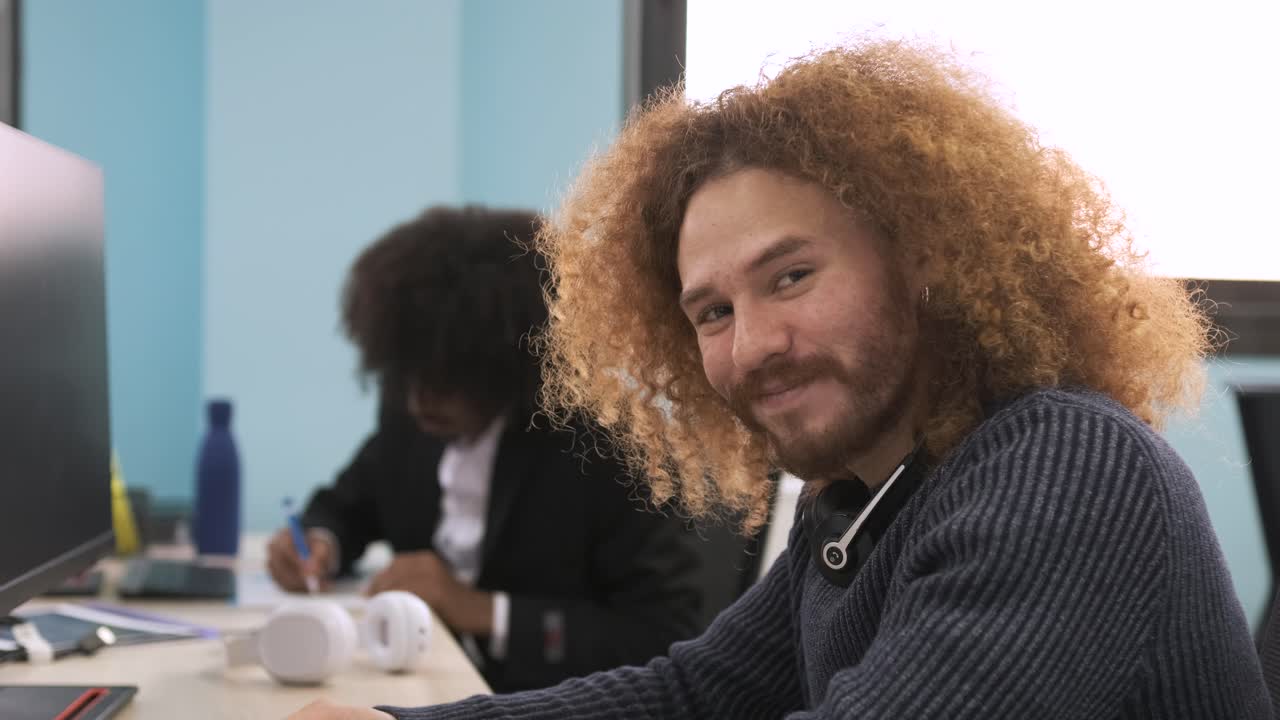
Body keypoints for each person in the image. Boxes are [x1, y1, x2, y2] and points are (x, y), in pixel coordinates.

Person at [289, 39, 1270, 720]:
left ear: (922, 257)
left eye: (790, 276)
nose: (749, 345)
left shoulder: (1065, 465)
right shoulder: (856, 498)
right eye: (710, 311)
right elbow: (698, 696)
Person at [266, 205, 704, 693]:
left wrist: (478, 610)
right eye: (408, 374)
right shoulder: (409, 412)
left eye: (445, 379)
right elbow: (350, 503)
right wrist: (319, 543)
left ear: (513, 361)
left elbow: (661, 637)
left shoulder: (606, 447)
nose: (418, 401)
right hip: (422, 688)